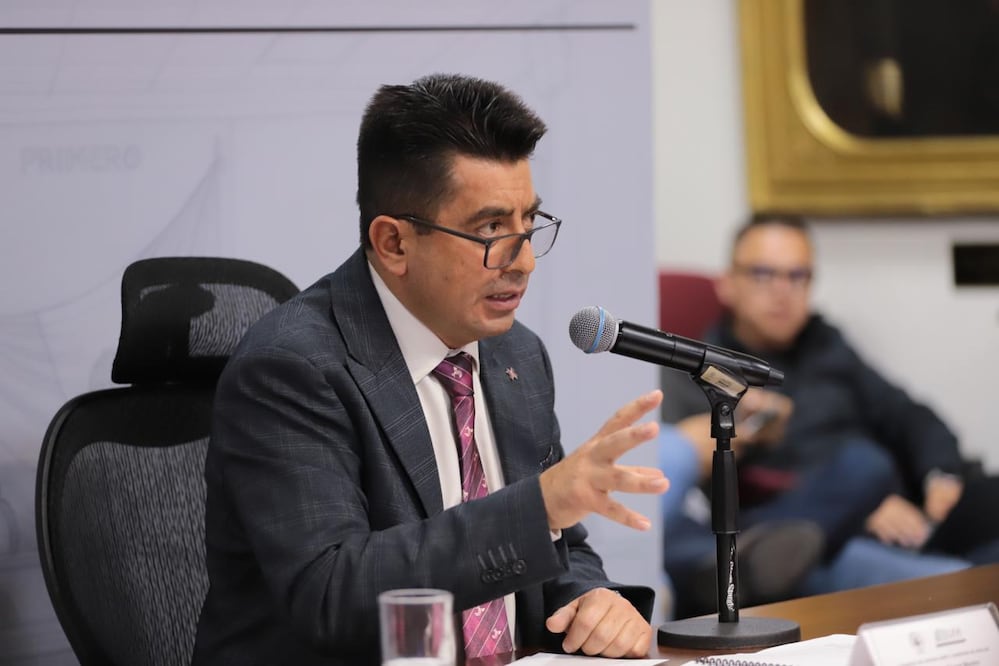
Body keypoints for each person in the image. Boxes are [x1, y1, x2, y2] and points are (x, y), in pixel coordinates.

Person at [192, 73, 670, 664]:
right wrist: (539, 508)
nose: (522, 262)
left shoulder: (516, 354)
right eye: (491, 229)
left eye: (529, 225)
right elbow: (331, 594)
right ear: (393, 243)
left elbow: (557, 542)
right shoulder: (293, 369)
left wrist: (594, 598)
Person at [660, 213, 999, 618]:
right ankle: (750, 563)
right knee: (863, 467)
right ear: (728, 284)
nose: (783, 292)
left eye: (797, 276)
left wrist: (939, 475)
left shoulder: (827, 346)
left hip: (893, 512)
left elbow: (907, 414)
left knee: (985, 502)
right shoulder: (701, 366)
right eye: (764, 275)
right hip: (788, 519)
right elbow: (694, 479)